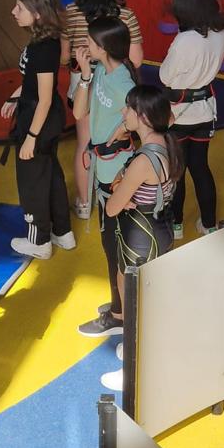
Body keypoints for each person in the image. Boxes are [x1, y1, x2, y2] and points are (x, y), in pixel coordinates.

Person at [101, 86, 184, 391]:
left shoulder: (142, 162)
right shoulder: (167, 144)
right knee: (144, 297)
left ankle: (134, 373)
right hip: (158, 229)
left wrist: (121, 190)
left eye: (128, 108)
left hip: (139, 238)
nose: (123, 113)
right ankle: (139, 352)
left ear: (144, 116)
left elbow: (111, 207)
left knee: (136, 306)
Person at [61, 0, 143, 219]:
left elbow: (63, 56)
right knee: (116, 143)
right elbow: (136, 59)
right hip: (114, 84)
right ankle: (115, 192)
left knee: (85, 143)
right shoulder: (126, 15)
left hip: (82, 81)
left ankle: (84, 204)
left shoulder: (71, 12)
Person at [73, 17, 136, 337]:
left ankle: (119, 314)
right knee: (108, 241)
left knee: (115, 244)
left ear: (103, 47)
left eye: (90, 41)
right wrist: (85, 75)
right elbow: (78, 113)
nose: (85, 45)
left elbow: (146, 118)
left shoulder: (124, 83)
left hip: (117, 172)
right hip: (104, 169)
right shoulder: (99, 72)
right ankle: (118, 302)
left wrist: (118, 133)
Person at [1, 0, 74, 259]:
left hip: (38, 118)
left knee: (32, 180)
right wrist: (14, 96)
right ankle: (63, 232)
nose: (13, 11)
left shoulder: (43, 48)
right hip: (42, 114)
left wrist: (31, 137)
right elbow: (33, 81)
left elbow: (44, 98)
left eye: (20, 8)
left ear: (38, 14)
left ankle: (39, 240)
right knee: (50, 172)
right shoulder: (44, 40)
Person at [159, 0, 224, 238]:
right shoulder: (220, 30)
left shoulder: (184, 40)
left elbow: (165, 76)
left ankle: (176, 224)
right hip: (205, 110)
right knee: (200, 167)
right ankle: (208, 224)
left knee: (177, 170)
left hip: (179, 114)